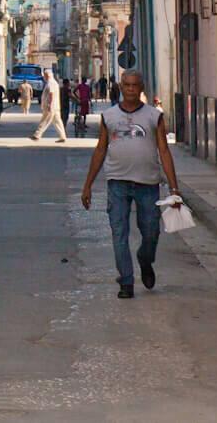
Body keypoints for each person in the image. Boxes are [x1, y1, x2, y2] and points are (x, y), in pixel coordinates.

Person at [79, 70, 181, 299]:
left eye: (135, 85)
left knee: (151, 231)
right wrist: (87, 185)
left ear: (142, 87)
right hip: (118, 183)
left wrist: (174, 188)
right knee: (119, 232)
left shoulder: (154, 116)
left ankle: (145, 260)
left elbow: (163, 150)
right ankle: (126, 281)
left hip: (148, 183)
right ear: (121, 87)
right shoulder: (110, 116)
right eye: (127, 85)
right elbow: (100, 149)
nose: (131, 89)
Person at [31, 67, 68, 142]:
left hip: (51, 106)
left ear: (47, 75)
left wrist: (49, 104)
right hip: (55, 106)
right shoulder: (52, 82)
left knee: (45, 120)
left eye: (45, 75)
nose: (44, 77)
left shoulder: (51, 83)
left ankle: (37, 135)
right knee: (58, 122)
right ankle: (62, 136)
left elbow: (51, 94)